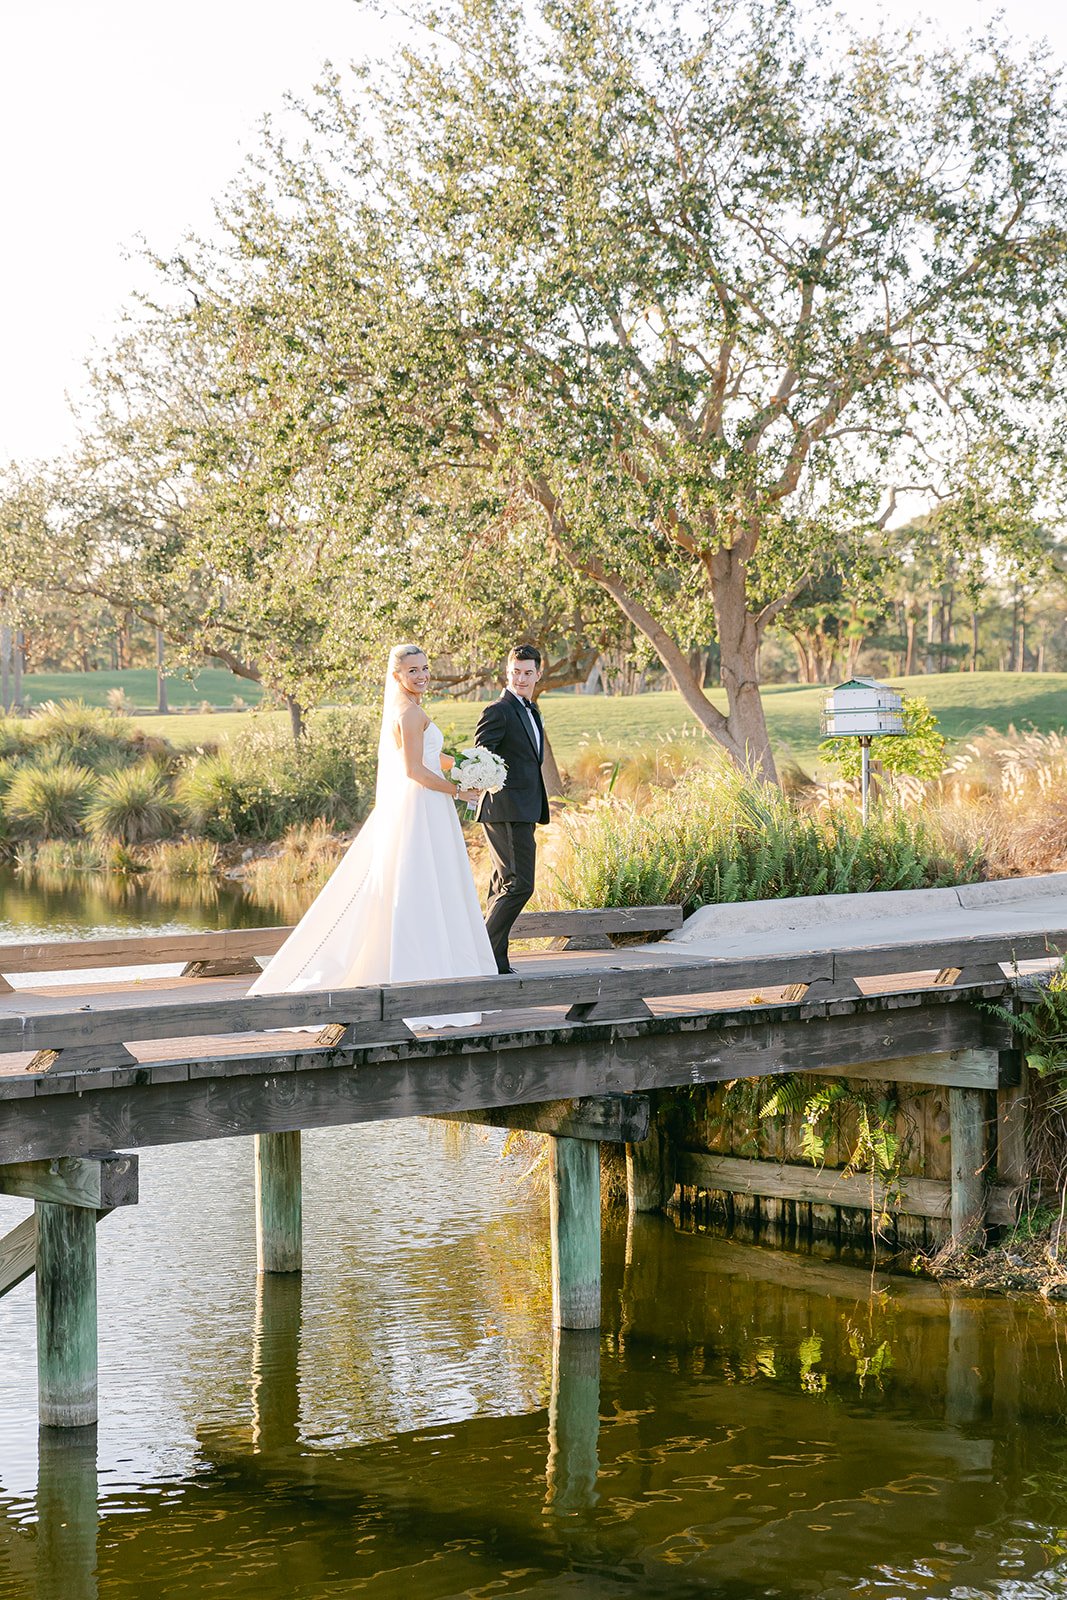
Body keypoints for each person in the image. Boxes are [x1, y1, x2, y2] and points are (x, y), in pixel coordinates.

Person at [248, 643, 497, 1028]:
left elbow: (432, 759)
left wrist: (469, 765)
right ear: (397, 675)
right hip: (424, 805)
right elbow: (415, 770)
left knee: (424, 884)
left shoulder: (406, 710)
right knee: (424, 885)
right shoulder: (410, 713)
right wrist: (460, 791)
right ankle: (421, 978)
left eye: (425, 668)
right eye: (413, 671)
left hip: (423, 806)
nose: (422, 676)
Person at [474, 643, 551, 975]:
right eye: (515, 672)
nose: (521, 678)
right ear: (507, 673)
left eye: (528, 673)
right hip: (504, 808)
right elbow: (481, 757)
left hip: (524, 809)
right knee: (519, 884)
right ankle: (478, 954)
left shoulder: (531, 709)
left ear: (538, 674)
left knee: (502, 884)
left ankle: (496, 962)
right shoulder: (499, 710)